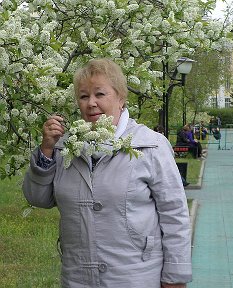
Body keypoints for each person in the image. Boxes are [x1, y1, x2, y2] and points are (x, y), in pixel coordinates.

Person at [22, 58, 192, 288]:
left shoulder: (151, 146)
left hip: (135, 277)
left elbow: (174, 214)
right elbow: (38, 199)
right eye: (83, 96)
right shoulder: (65, 147)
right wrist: (46, 151)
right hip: (78, 278)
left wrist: (175, 276)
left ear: (120, 97)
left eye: (100, 94)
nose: (91, 103)